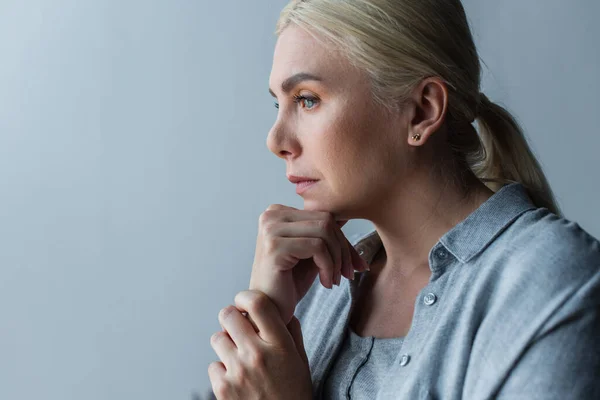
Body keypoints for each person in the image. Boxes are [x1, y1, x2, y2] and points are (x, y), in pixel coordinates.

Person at [206, 0, 600, 399]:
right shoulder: (315, 288)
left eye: (307, 99)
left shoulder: (553, 283)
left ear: (421, 111)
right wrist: (263, 321)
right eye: (279, 103)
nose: (275, 142)